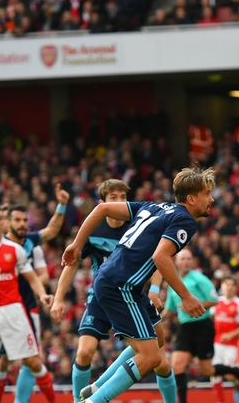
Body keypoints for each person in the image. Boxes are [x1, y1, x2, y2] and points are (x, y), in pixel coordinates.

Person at [61, 166, 211, 403]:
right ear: (191, 199)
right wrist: (186, 296)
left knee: (158, 337)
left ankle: (96, 387)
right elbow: (161, 257)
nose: (211, 199)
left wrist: (77, 244)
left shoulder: (154, 206)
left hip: (123, 283)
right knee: (151, 358)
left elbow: (101, 208)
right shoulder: (185, 220)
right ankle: (95, 401)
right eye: (207, 194)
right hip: (121, 286)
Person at [51, 179, 176, 403]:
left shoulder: (139, 224)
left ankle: (99, 389)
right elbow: (72, 263)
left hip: (132, 294)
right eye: (113, 198)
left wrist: (155, 289)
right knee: (84, 352)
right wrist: (59, 298)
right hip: (102, 294)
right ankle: (80, 401)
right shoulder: (93, 229)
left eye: (122, 197)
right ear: (104, 202)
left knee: (161, 359)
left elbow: (159, 257)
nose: (119, 202)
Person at [0, 203, 56, 403]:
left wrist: (42, 295)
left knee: (33, 361)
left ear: (4, 223)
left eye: (0, 219)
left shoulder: (15, 250)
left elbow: (32, 278)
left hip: (14, 311)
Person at [160, 248, 220, 403]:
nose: (186, 262)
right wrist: (155, 320)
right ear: (177, 262)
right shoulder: (173, 282)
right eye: (183, 259)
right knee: (177, 366)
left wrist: (195, 306)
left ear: (192, 262)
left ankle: (235, 371)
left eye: (188, 259)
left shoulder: (200, 279)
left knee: (207, 369)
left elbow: (214, 300)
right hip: (185, 328)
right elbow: (169, 309)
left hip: (202, 326)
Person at [211, 276, 239, 403]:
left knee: (231, 375)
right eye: (226, 284)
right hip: (216, 345)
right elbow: (211, 317)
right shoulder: (217, 302)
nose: (229, 287)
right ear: (222, 287)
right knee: (214, 374)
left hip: (231, 346)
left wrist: (231, 334)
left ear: (236, 287)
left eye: (232, 285)